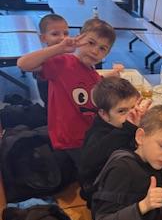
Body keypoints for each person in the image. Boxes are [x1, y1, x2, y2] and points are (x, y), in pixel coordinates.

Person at [17, 19, 116, 168]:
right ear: (79, 39)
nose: (95, 51)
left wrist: (112, 74)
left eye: (102, 48)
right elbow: (23, 64)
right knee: (97, 168)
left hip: (87, 135)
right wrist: (59, 48)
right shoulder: (63, 63)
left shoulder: (91, 71)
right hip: (69, 140)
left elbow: (92, 83)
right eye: (91, 43)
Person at [78, 77, 151, 206]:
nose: (131, 114)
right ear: (104, 114)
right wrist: (130, 128)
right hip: (103, 198)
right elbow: (88, 161)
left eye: (133, 107)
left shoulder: (123, 125)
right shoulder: (100, 136)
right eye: (122, 111)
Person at [34, 13, 70, 107]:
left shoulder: (68, 56)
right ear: (43, 38)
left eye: (66, 33)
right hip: (53, 107)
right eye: (55, 34)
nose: (62, 37)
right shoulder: (44, 59)